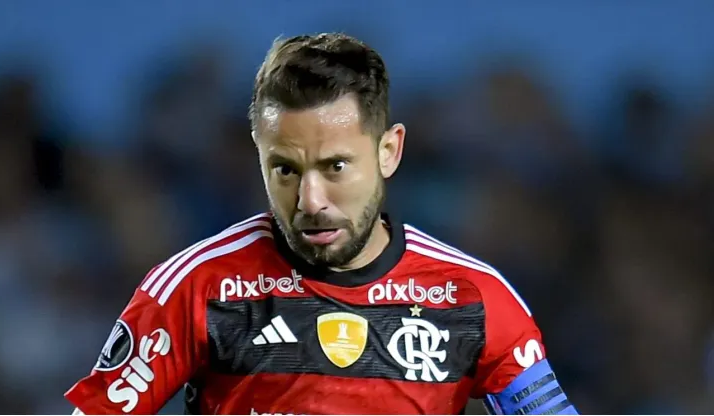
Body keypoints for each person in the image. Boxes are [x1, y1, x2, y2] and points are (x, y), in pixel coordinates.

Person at [65, 33, 578, 415]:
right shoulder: (197, 286)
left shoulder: (474, 297)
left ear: (389, 151)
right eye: (285, 169)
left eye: (335, 166)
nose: (310, 200)